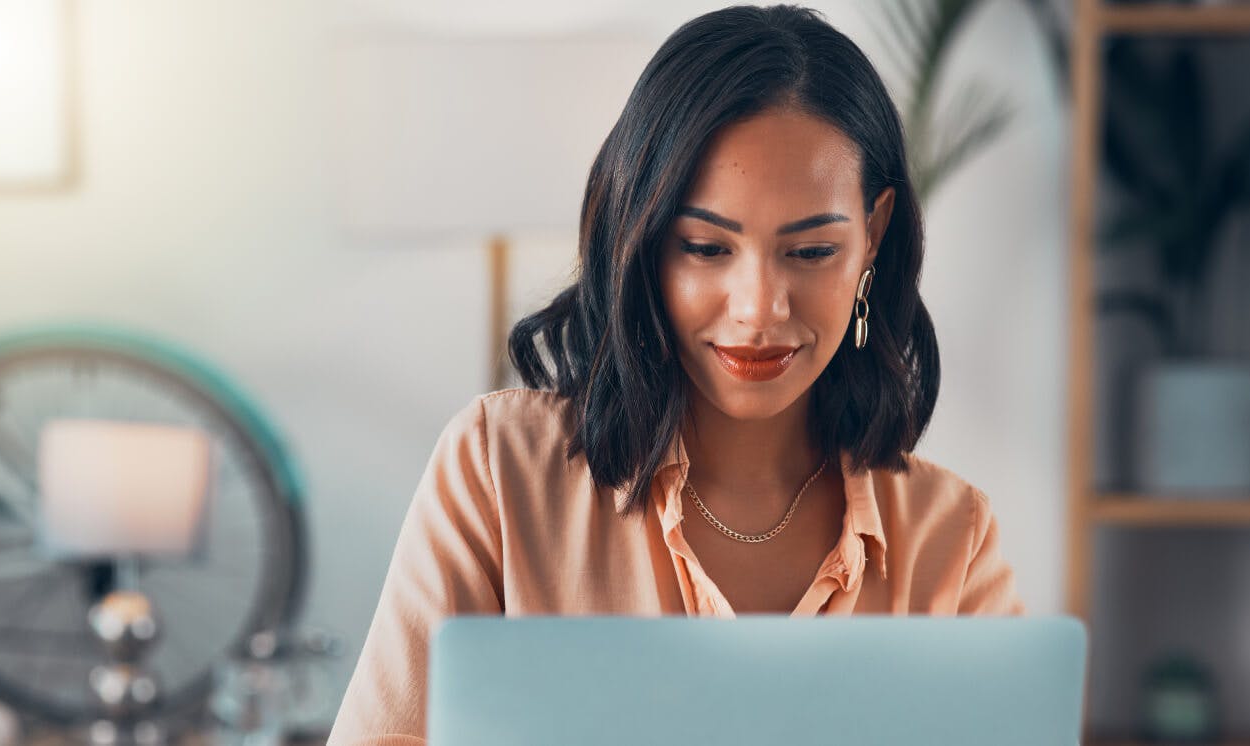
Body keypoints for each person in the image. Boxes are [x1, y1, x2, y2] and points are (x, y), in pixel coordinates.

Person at [327, 5, 1025, 743]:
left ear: (873, 237)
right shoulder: (500, 472)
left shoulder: (951, 537)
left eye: (812, 251)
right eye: (705, 247)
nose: (759, 310)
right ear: (644, 238)